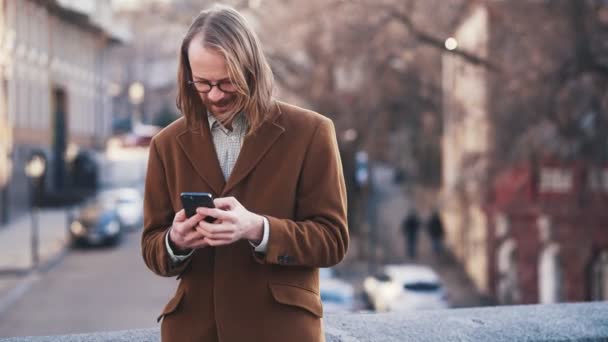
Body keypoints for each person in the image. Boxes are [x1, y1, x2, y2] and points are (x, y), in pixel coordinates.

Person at [141, 5, 349, 342]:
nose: (216, 95)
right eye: (203, 84)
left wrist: (258, 229)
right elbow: (152, 247)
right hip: (193, 332)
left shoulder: (311, 132)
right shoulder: (166, 144)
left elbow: (333, 241)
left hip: (281, 331)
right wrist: (174, 241)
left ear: (251, 70)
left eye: (227, 83)